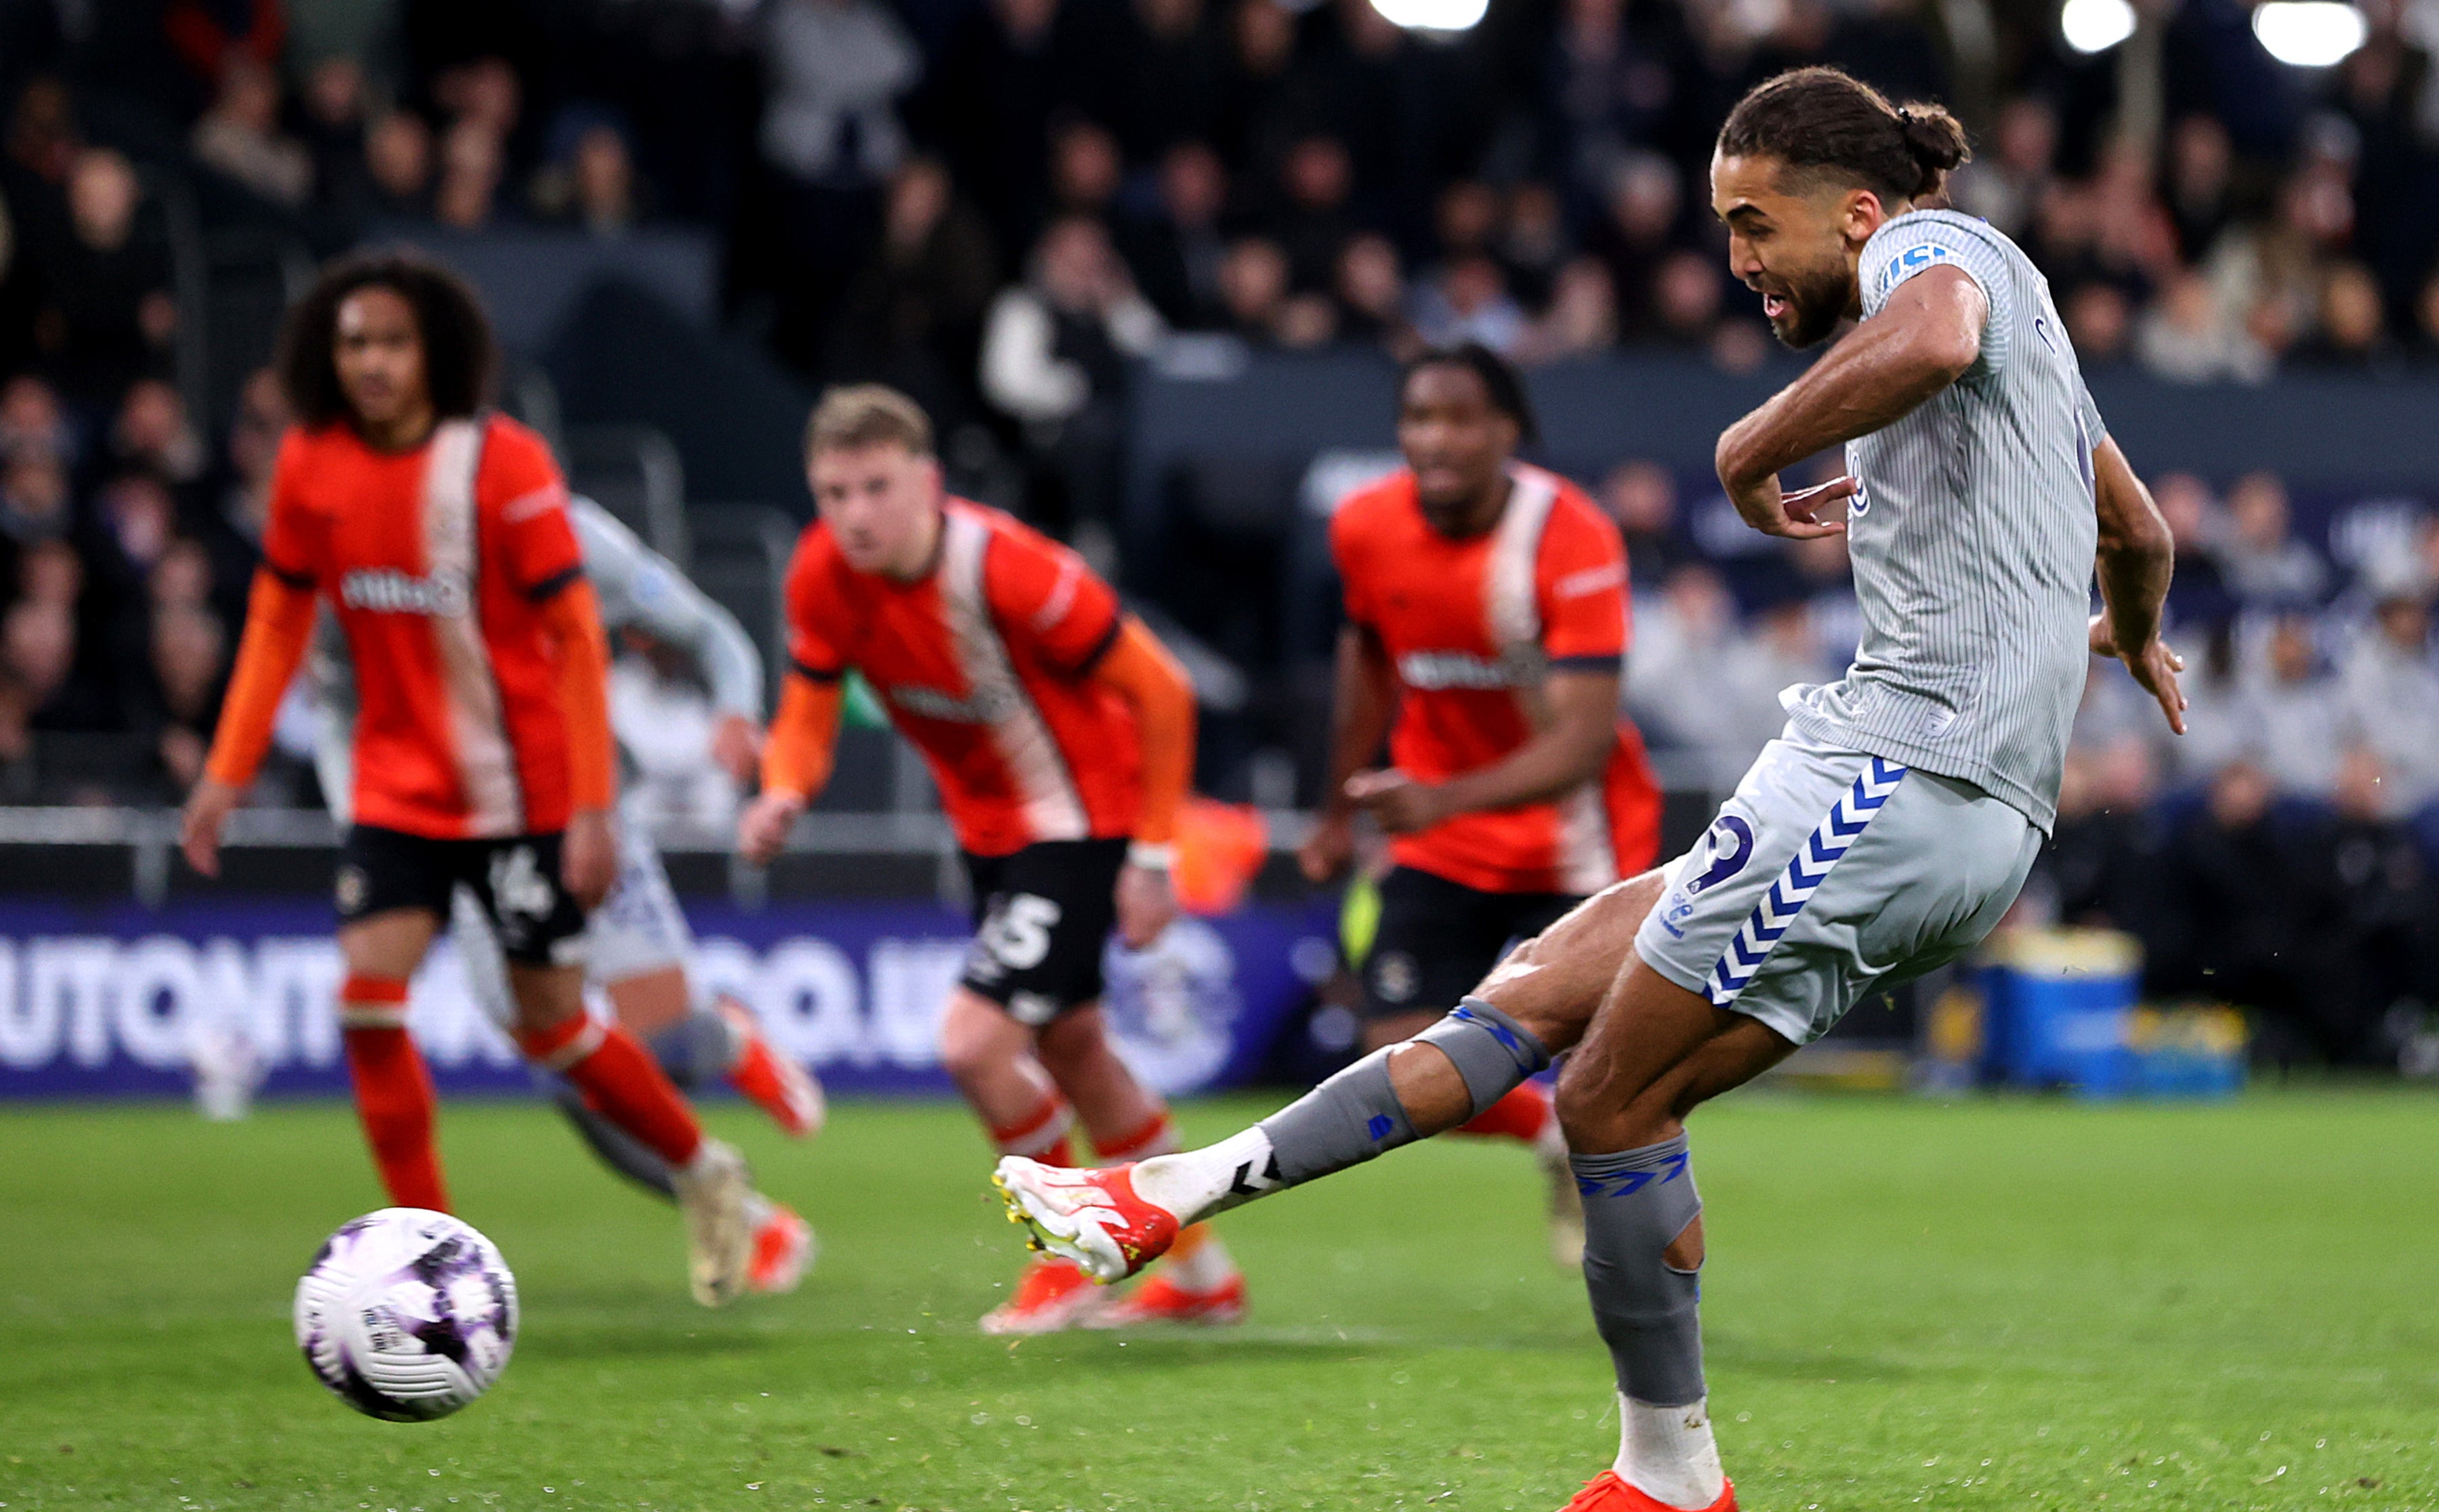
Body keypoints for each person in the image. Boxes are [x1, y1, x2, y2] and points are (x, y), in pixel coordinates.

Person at [997, 65, 2188, 1512]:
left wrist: (1747, 448)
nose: (1738, 259)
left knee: (1608, 1101)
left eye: (1755, 224)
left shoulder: (1930, 261)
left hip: (1894, 774)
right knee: (1532, 992)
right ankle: (1163, 1194)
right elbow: (2134, 528)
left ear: (1862, 210)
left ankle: (1670, 1481)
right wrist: (2127, 636)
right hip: (1929, 800)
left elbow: (1933, 330)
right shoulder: (2039, 337)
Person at [180, 251, 767, 1306]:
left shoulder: (504, 465)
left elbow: (578, 639)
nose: (370, 361)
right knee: (365, 999)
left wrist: (590, 807)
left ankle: (703, 1167)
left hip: (521, 796)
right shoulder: (313, 466)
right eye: (353, 341)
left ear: (436, 351)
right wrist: (227, 770)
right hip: (399, 791)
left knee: (555, 1026)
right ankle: (429, 1253)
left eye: (392, 341)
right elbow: (275, 622)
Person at [735, 385, 1241, 1336]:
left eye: (875, 487)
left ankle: (1064, 1260)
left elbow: (1163, 691)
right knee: (1076, 1051)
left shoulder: (1009, 569)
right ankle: (1202, 1274)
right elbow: (807, 703)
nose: (854, 514)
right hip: (993, 836)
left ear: (927, 481)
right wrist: (782, 789)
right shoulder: (820, 574)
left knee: (973, 1043)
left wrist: (1152, 854)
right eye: (833, 492)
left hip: (1078, 822)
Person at [299, 492, 823, 1291]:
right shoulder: (361, 543)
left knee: (664, 1043)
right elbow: (337, 701)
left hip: (583, 817)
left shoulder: (567, 533)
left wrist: (733, 712)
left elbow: (710, 631)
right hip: (452, 833)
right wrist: (364, 822)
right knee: (579, 1086)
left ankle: (723, 1039)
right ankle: (757, 1222)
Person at [1297, 342, 1663, 1265]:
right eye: (1419, 418)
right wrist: (1336, 807)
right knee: (1392, 1056)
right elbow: (1371, 658)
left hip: (1578, 839)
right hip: (1444, 836)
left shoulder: (1570, 534)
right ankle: (1548, 1131)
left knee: (1615, 1073)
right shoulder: (1363, 526)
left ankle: (1645, 1262)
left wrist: (1437, 797)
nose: (1437, 438)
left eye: (1460, 417)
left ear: (1508, 430)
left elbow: (1582, 742)